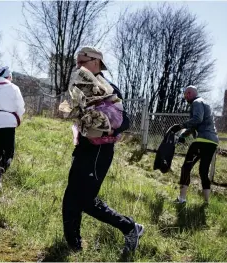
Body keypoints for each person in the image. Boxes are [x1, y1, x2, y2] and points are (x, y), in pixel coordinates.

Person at [62, 46, 144, 254]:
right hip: (82, 148)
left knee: (86, 201)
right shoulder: (80, 87)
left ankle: (129, 227)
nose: (78, 66)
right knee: (71, 196)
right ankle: (74, 247)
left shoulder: (110, 89)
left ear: (96, 62)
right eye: (77, 62)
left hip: (99, 153)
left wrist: (103, 124)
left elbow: (125, 121)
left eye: (83, 61)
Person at [171, 85, 219, 204]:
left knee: (186, 168)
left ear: (192, 93)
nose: (186, 96)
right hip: (212, 142)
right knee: (203, 171)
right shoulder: (204, 103)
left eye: (188, 93)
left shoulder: (196, 103)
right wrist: (183, 136)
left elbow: (197, 119)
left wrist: (181, 126)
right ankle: (206, 202)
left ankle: (181, 199)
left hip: (202, 140)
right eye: (185, 94)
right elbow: (195, 125)